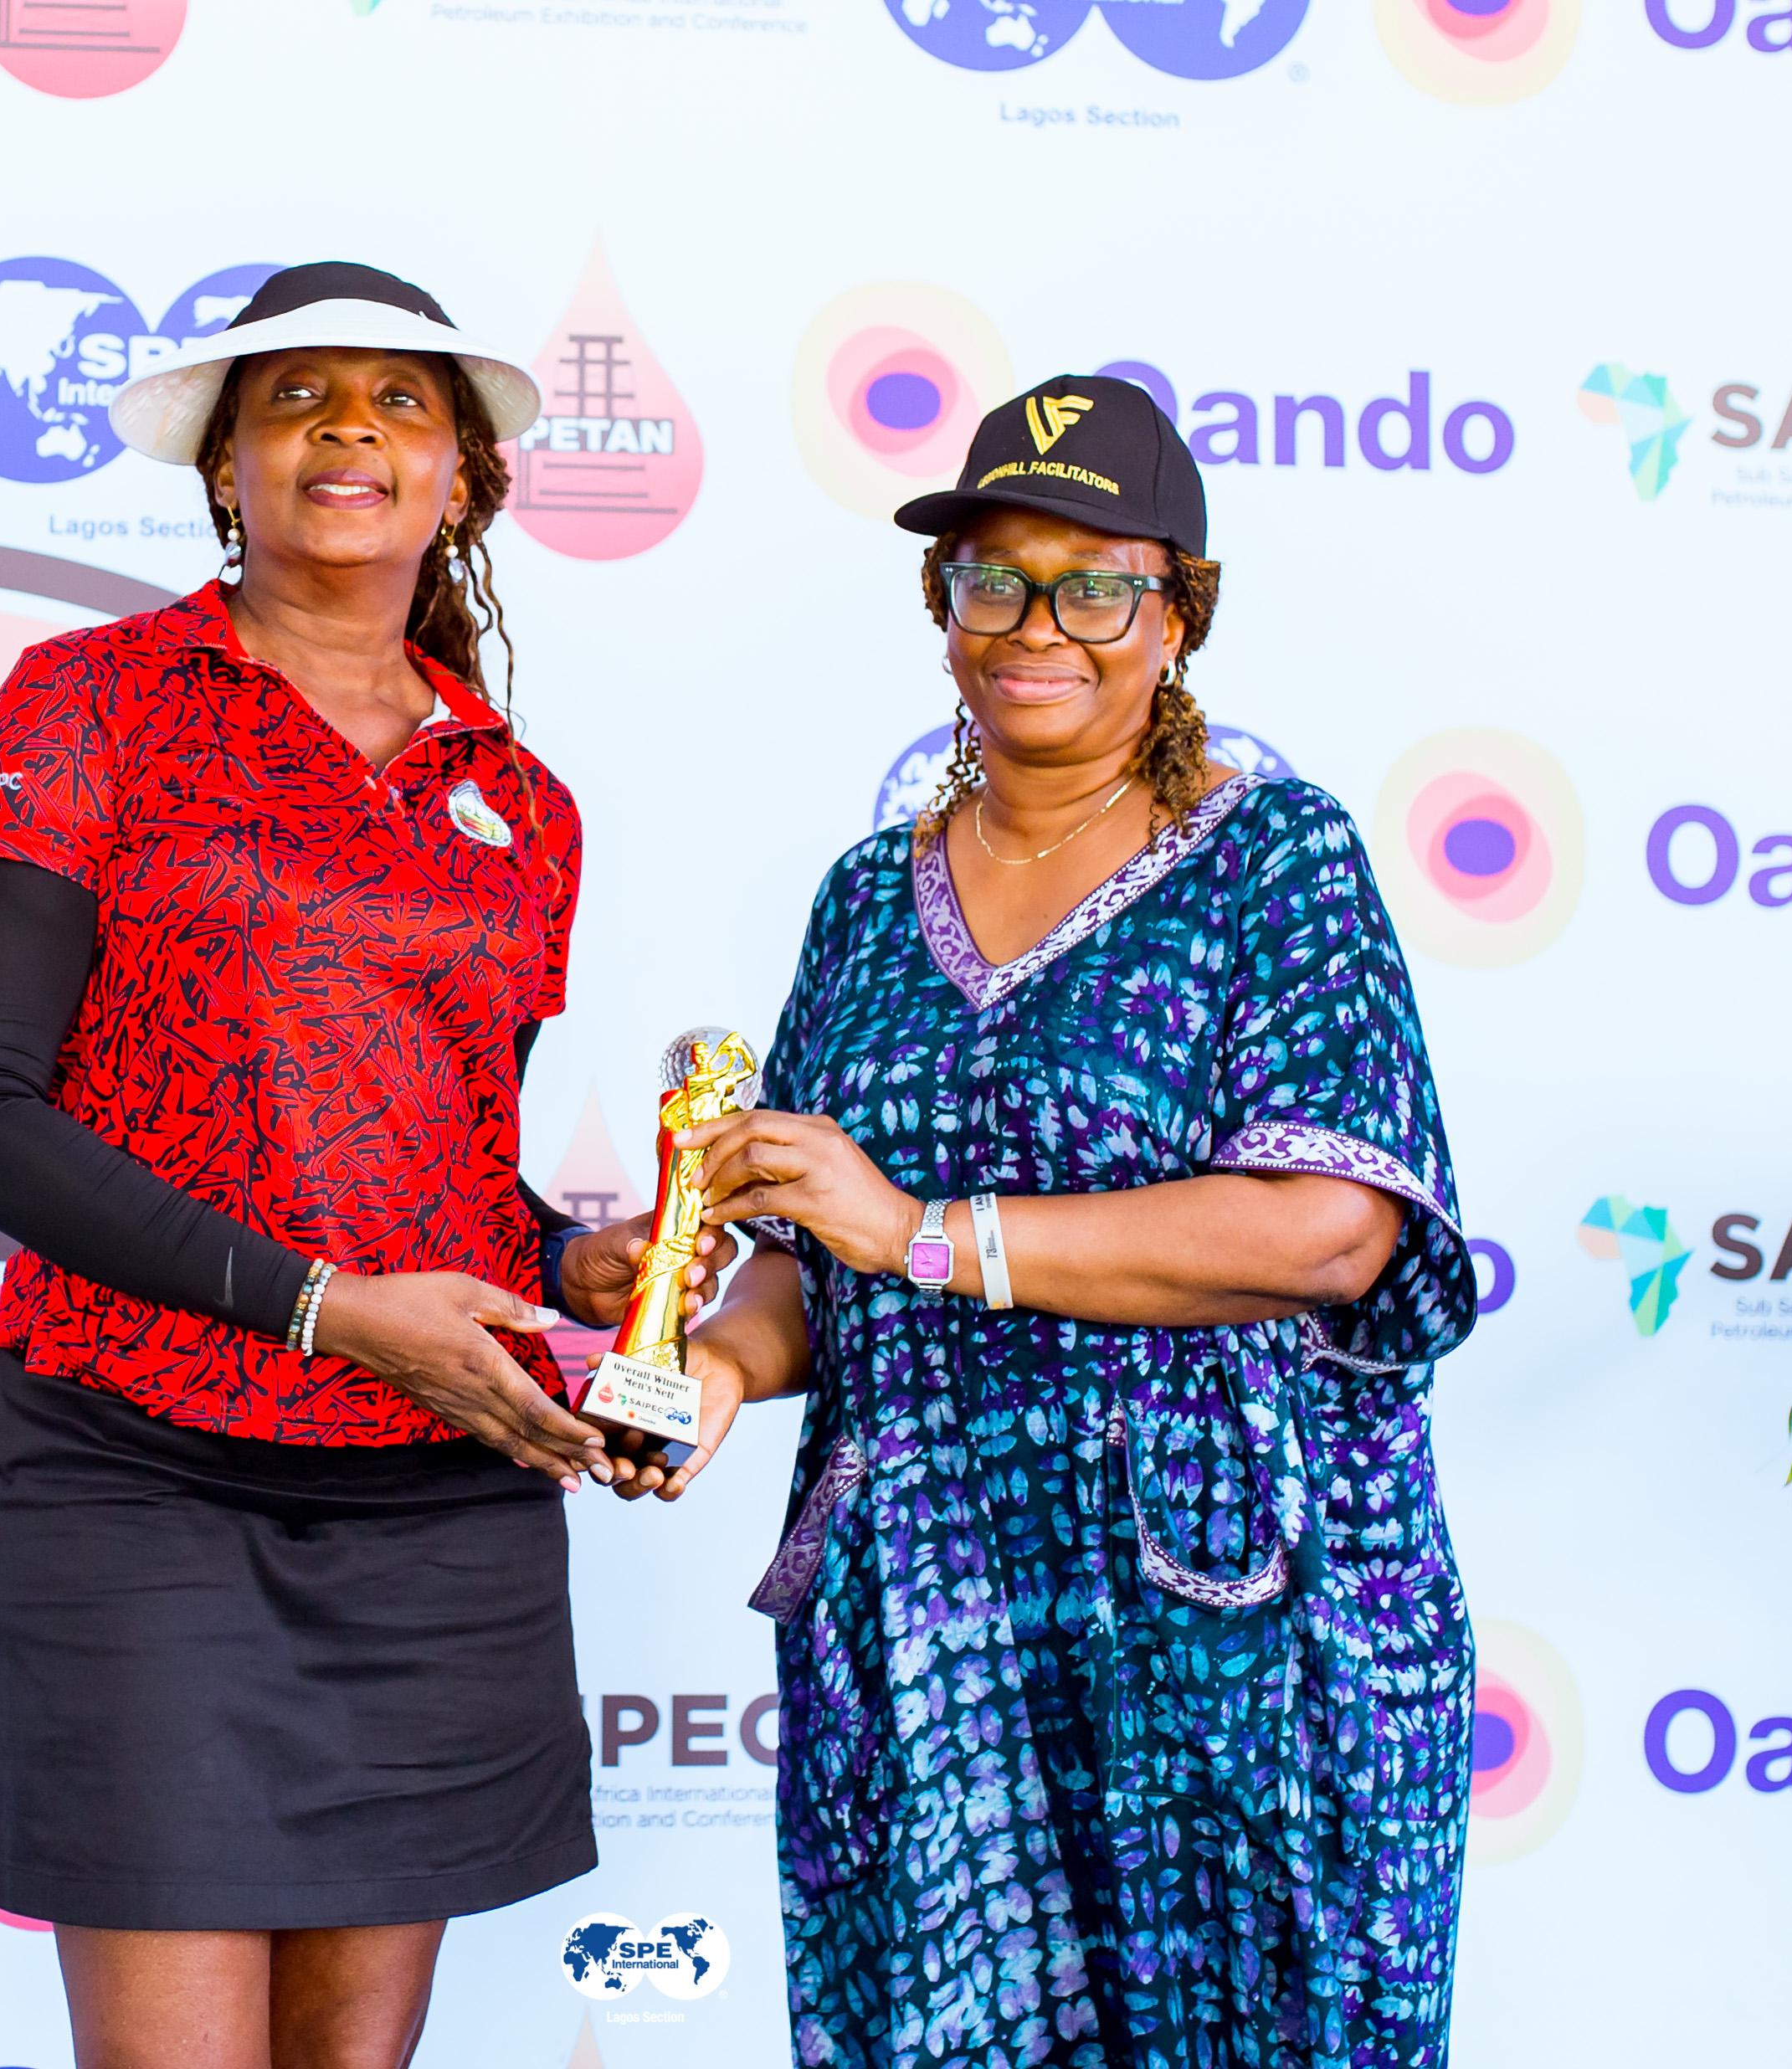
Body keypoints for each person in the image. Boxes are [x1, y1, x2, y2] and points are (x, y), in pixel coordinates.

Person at [0, 262, 712, 2069]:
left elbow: (435, 1169)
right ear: (225, 467)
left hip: (430, 1493)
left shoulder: (522, 801)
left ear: (464, 478)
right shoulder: (89, 701)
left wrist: (570, 1267)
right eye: (296, 396)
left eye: (401, 399)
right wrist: (328, 1310)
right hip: (132, 1467)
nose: (351, 426)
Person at [623, 377, 1481, 2066]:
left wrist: (930, 1235)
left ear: (1177, 616)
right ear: (939, 605)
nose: (1036, 627)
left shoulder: (1274, 859)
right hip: (928, 1618)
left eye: (1094, 586)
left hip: (1231, 1628)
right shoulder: (865, 900)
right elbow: (814, 1248)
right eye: (993, 580)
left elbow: (1331, 1231)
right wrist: (712, 1365)